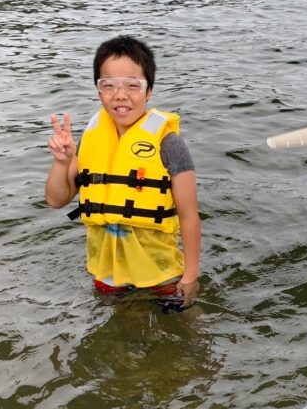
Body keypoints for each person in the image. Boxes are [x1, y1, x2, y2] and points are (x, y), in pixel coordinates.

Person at [45, 35, 200, 308]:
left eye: (132, 85)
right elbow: (56, 200)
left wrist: (190, 278)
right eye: (109, 85)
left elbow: (189, 216)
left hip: (160, 272)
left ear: (149, 91)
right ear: (98, 90)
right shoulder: (90, 140)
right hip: (108, 273)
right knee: (120, 327)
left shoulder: (169, 144)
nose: (120, 95)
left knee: (186, 324)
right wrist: (62, 162)